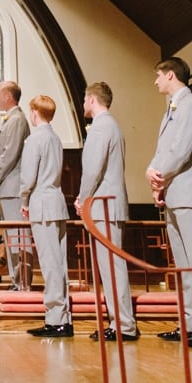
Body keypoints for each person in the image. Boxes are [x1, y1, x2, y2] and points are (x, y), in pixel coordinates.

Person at [146, 57, 192, 346]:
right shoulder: (173, 107)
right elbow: (164, 147)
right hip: (174, 192)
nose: (156, 81)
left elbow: (182, 148)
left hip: (189, 193)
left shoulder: (190, 104)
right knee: (184, 265)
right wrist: (152, 171)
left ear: (170, 75)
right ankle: (189, 321)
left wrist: (159, 174)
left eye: (158, 75)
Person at [77, 81, 138, 342]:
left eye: (84, 100)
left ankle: (123, 324)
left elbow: (93, 168)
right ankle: (120, 321)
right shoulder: (109, 125)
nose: (83, 105)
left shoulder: (102, 127)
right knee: (111, 265)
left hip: (103, 205)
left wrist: (83, 197)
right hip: (106, 205)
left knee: (112, 266)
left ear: (92, 100)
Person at [20, 96, 72, 338]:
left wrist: (23, 199)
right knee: (59, 264)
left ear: (34, 112)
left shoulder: (35, 139)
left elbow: (28, 177)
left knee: (50, 264)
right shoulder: (55, 138)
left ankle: (55, 319)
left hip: (41, 202)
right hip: (57, 201)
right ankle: (64, 317)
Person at [0, 81, 30, 290]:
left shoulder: (17, 119)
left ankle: (22, 282)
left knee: (18, 238)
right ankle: (16, 281)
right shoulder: (11, 119)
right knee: (11, 238)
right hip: (7, 188)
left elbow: (9, 153)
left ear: (9, 96)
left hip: (13, 187)